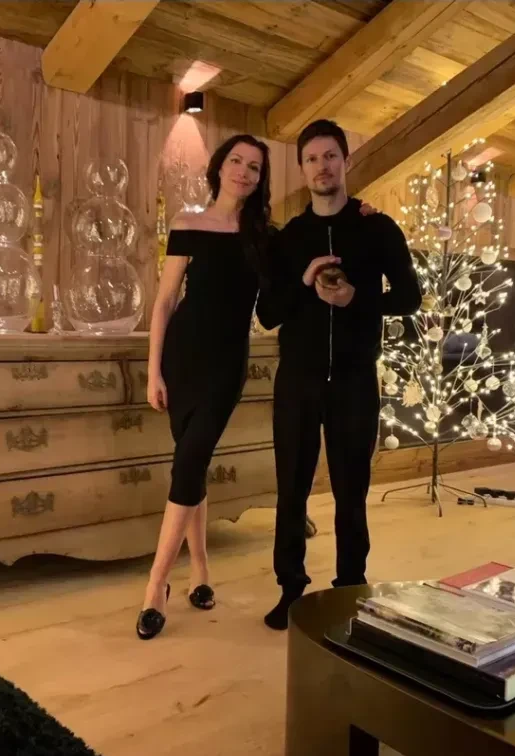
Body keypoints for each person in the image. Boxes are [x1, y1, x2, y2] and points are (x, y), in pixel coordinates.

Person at [260, 119, 421, 631]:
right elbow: (268, 313)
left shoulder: (378, 228)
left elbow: (411, 298)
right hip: (298, 381)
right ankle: (290, 589)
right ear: (302, 168)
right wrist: (305, 279)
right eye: (311, 158)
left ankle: (350, 587)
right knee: (291, 491)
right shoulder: (290, 238)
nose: (322, 166)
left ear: (345, 161)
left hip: (354, 380)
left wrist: (358, 298)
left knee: (352, 491)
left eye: (330, 156)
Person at [137, 134, 276, 640]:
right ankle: (199, 572)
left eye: (254, 167)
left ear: (260, 180)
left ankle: (156, 586)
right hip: (182, 358)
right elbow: (164, 302)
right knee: (190, 465)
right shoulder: (187, 223)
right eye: (236, 161)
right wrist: (153, 371)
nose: (243, 171)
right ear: (219, 167)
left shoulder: (265, 237)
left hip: (225, 367)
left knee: (190, 459)